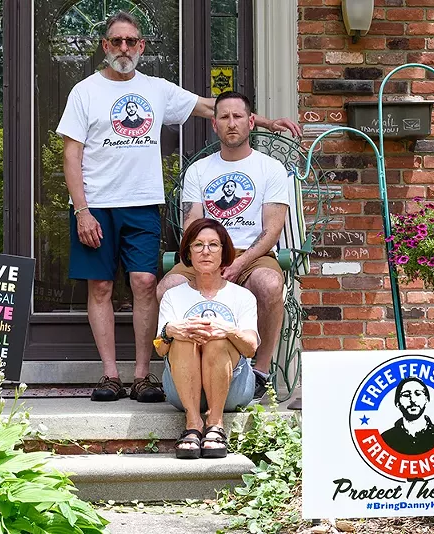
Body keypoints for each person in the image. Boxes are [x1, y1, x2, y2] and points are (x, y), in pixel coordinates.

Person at [56, 12, 300, 403]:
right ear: (105, 46)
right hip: (96, 204)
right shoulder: (84, 92)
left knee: (145, 283)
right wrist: (81, 209)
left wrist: (266, 123)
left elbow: (212, 108)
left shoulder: (157, 89)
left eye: (130, 41)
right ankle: (109, 375)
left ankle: (141, 376)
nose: (123, 48)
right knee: (100, 286)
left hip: (142, 202)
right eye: (116, 41)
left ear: (141, 47)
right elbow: (71, 154)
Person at [157, 90, 289, 403]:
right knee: (168, 285)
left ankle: (260, 372)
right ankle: (179, 368)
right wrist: (207, 260)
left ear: (251, 122)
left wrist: (239, 264)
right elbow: (192, 224)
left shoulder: (270, 169)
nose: (232, 123)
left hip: (252, 254)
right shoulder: (199, 170)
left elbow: (271, 230)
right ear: (214, 125)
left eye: (238, 116)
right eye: (224, 117)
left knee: (270, 284)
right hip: (205, 249)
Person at [154, 218, 259, 459]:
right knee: (183, 336)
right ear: (188, 253)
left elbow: (252, 348)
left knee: (216, 339)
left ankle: (215, 422)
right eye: (198, 245)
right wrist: (170, 331)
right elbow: (160, 350)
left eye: (213, 245)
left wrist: (228, 331)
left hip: (233, 388)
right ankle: (193, 423)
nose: (205, 251)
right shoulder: (173, 296)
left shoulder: (242, 297)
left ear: (224, 252)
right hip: (183, 390)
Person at [380, 377, 434, 455]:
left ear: (427, 400)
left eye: (418, 394)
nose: (413, 400)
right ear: (397, 403)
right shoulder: (386, 439)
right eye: (406, 395)